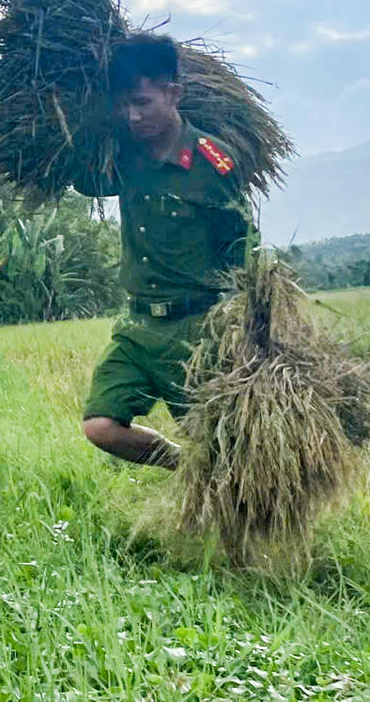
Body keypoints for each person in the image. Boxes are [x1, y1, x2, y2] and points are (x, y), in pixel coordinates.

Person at [73, 34, 252, 470]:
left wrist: (243, 324)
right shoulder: (124, 156)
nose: (132, 116)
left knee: (225, 455)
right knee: (99, 426)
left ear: (174, 93)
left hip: (197, 333)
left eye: (142, 103)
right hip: (137, 328)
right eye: (124, 106)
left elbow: (240, 246)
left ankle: (219, 490)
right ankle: (186, 467)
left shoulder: (214, 163)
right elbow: (84, 182)